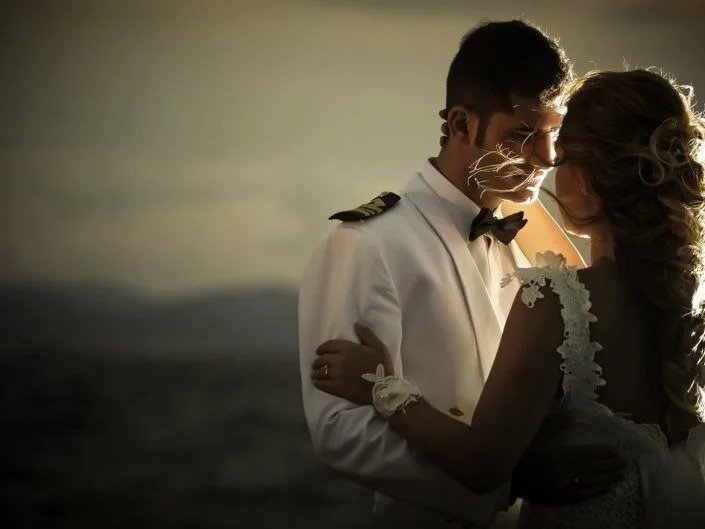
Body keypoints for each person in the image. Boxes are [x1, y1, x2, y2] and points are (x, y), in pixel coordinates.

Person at [312, 69, 705, 528]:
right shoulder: (689, 300)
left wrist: (381, 387)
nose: (547, 162)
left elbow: (481, 465)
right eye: (530, 138)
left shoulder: (560, 300)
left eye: (561, 152)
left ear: (592, 174)